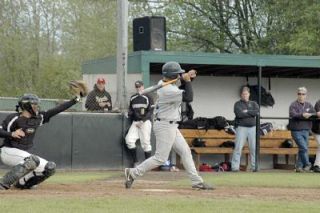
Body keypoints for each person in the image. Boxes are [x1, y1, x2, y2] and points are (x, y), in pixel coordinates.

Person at [124, 61, 213, 190]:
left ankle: (196, 182)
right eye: (177, 73)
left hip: (170, 125)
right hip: (165, 125)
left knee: (185, 152)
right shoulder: (168, 90)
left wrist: (186, 77)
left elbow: (179, 86)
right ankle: (132, 173)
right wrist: (187, 81)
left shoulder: (164, 84)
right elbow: (188, 96)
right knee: (160, 158)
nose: (179, 75)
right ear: (172, 75)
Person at [0, 94, 81, 190]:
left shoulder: (38, 117)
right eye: (34, 104)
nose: (37, 107)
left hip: (24, 155)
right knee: (32, 160)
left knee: (50, 168)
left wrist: (75, 100)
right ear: (26, 106)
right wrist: (11, 134)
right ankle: (3, 183)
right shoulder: (14, 118)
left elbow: (57, 109)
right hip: (7, 151)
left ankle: (22, 183)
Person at [125, 80, 154, 167]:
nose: (138, 88)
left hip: (145, 122)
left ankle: (148, 165)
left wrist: (142, 121)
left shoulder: (148, 97)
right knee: (129, 140)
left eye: (140, 86)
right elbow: (131, 110)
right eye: (137, 87)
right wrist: (128, 113)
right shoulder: (133, 97)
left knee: (145, 143)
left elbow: (150, 112)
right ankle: (136, 162)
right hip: (135, 122)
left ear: (143, 86)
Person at [231, 86, 259, 172]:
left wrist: (247, 111)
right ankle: (235, 167)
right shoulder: (237, 104)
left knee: (253, 148)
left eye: (246, 94)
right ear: (241, 95)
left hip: (253, 128)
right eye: (243, 94)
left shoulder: (254, 103)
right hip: (241, 128)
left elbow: (257, 112)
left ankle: (255, 167)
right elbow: (239, 114)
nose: (245, 95)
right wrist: (251, 113)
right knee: (238, 148)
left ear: (249, 94)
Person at [288, 87, 315, 172]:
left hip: (306, 130)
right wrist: (303, 115)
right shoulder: (293, 105)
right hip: (296, 130)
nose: (301, 96)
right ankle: (308, 164)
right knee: (304, 148)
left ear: (306, 95)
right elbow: (293, 114)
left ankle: (299, 167)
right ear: (297, 95)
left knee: (302, 149)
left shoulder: (309, 105)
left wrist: (311, 115)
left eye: (303, 94)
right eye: (299, 94)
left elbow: (314, 114)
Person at [312, 99, 320, 173]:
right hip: (317, 130)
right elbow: (318, 114)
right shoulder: (318, 102)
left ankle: (317, 166)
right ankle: (316, 165)